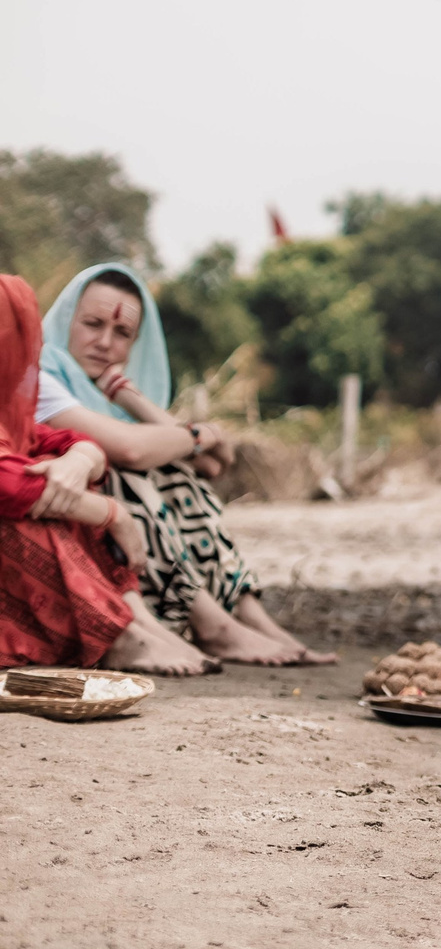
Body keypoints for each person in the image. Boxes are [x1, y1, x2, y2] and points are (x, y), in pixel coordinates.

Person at [38, 264, 333, 668]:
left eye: (122, 333)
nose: (105, 342)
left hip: (128, 535)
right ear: (65, 320)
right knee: (131, 473)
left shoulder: (106, 393)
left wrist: (126, 394)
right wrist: (201, 433)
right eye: (92, 324)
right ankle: (211, 623)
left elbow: (211, 464)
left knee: (177, 475)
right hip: (82, 520)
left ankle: (250, 617)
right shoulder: (41, 376)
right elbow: (132, 450)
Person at [0, 275, 206, 673]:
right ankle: (115, 635)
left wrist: (79, 459)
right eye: (16, 334)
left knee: (64, 477)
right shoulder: (46, 382)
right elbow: (11, 485)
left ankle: (137, 621)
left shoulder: (14, 404)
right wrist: (113, 513)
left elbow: (65, 440)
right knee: (41, 510)